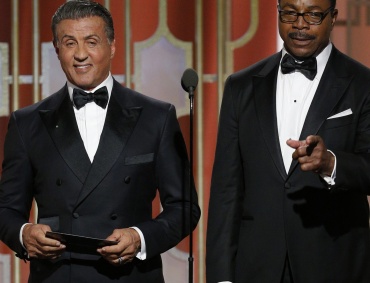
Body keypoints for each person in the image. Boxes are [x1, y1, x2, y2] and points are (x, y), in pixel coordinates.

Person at [0, 1, 200, 282]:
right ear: (57, 50)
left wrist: (139, 237)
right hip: (59, 274)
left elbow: (185, 207)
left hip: (130, 275)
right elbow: (7, 210)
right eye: (70, 43)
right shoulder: (27, 123)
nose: (81, 54)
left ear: (112, 45)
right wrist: (24, 234)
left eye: (91, 42)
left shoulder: (157, 117)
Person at [206, 0, 370, 282]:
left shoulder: (362, 83)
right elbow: (226, 192)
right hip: (257, 267)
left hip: (334, 264)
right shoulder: (240, 86)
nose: (300, 24)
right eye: (290, 12)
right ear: (278, 12)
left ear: (333, 17)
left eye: (313, 15)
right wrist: (221, 276)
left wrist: (331, 163)